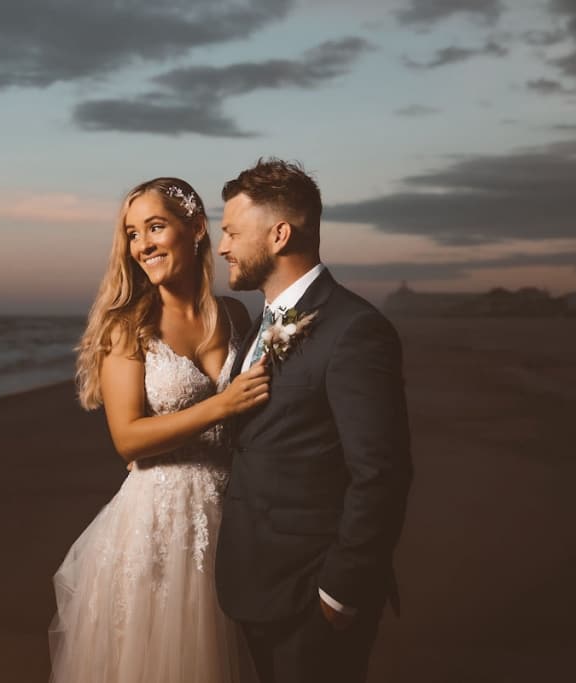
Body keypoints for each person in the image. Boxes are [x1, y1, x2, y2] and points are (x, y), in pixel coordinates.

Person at [49, 177, 265, 682]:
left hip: (233, 514)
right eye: (131, 233)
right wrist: (221, 406)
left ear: (194, 229)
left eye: (154, 227)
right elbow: (127, 438)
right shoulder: (129, 325)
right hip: (158, 525)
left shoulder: (234, 314)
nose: (142, 244)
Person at [215, 158, 413, 683]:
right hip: (254, 585)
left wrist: (339, 593)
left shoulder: (356, 330)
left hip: (312, 597)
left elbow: (381, 473)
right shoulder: (260, 323)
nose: (222, 247)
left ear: (279, 234)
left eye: (232, 231)